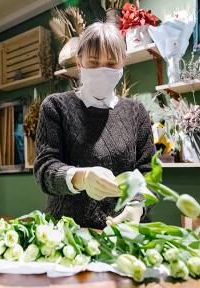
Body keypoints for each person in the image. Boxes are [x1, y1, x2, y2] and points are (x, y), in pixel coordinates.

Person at [34, 22, 155, 229]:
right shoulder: (56, 107)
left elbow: (149, 173)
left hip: (123, 233)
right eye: (93, 62)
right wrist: (81, 178)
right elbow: (45, 170)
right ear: (79, 62)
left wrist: (138, 205)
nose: (102, 70)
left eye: (111, 63)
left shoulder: (137, 113)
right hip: (68, 234)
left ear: (123, 63)